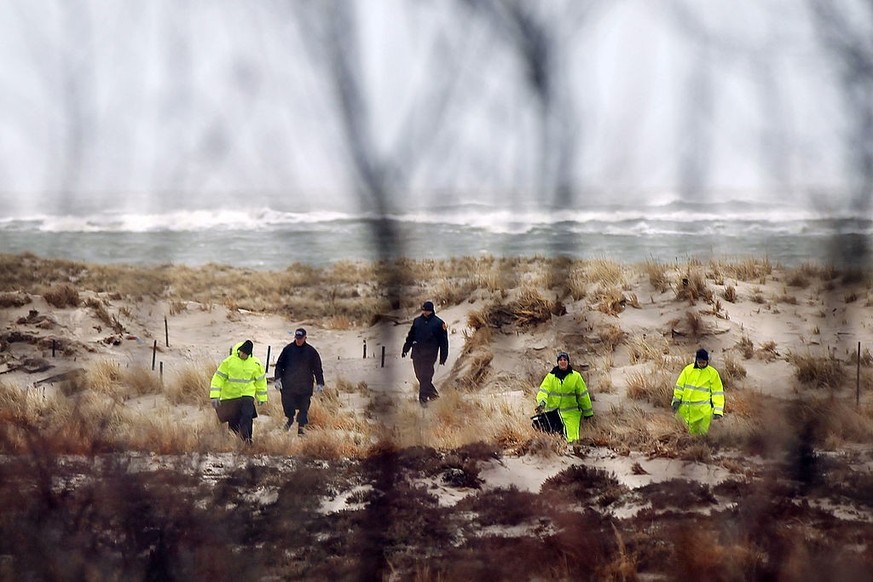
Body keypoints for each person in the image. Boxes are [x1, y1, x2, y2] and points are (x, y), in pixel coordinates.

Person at [209, 340, 268, 444]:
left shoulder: (256, 363)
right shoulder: (228, 362)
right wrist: (215, 396)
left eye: (245, 354)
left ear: (249, 354)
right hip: (231, 397)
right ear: (239, 351)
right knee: (233, 422)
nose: (243, 355)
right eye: (242, 353)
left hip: (247, 396)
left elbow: (261, 382)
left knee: (247, 417)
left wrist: (262, 397)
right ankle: (234, 442)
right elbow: (218, 378)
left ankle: (247, 441)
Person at [274, 328, 324, 436]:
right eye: (297, 338)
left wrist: (320, 383)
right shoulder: (288, 350)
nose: (298, 340)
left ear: (305, 338)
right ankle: (290, 419)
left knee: (304, 408)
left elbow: (317, 368)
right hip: (288, 386)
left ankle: (301, 429)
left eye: (300, 338)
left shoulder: (311, 352)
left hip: (305, 386)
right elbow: (279, 365)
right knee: (288, 406)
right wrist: (277, 379)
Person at [535, 351, 594, 442]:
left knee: (572, 439)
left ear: (568, 362)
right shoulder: (550, 377)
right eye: (560, 360)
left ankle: (573, 455)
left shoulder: (576, 377)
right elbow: (543, 391)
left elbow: (583, 395)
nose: (563, 362)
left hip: (572, 414)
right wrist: (542, 402)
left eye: (565, 359)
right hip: (554, 414)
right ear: (557, 362)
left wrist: (588, 412)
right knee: (555, 439)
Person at [402, 300, 449, 406]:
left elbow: (444, 342)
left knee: (425, 376)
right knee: (419, 375)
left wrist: (443, 356)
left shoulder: (438, 323)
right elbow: (411, 336)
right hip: (417, 353)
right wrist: (406, 349)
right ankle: (433, 395)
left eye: (427, 311)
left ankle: (423, 400)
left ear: (431, 311)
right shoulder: (417, 321)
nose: (425, 313)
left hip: (430, 354)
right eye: (423, 310)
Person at [672, 348, 724, 435]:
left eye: (703, 362)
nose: (701, 364)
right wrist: (676, 400)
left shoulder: (712, 373)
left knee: (701, 436)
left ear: (707, 361)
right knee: (683, 435)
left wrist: (718, 411)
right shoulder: (687, 370)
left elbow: (717, 393)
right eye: (700, 362)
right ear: (696, 360)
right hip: (685, 411)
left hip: (703, 413)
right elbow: (679, 387)